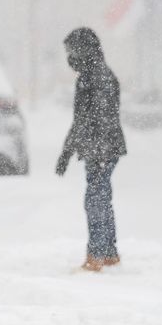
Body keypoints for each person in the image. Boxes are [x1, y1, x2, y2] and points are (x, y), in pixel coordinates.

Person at [56, 27, 127, 272]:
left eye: (72, 51)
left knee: (95, 199)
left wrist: (67, 151)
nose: (69, 58)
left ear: (83, 50)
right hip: (103, 147)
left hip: (101, 149)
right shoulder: (98, 73)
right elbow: (86, 119)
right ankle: (108, 252)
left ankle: (96, 255)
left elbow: (87, 119)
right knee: (101, 196)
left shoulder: (94, 77)